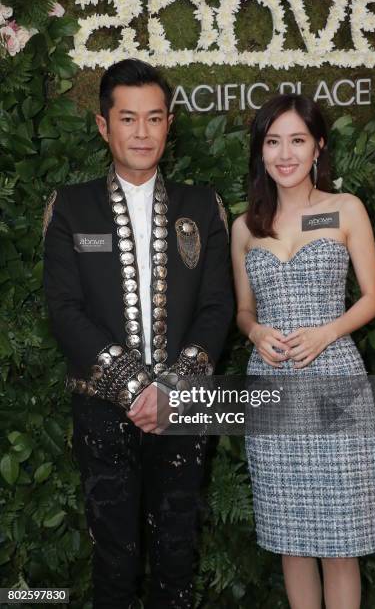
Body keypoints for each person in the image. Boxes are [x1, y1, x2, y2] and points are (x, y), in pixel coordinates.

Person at [43, 58, 233, 609]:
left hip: (185, 403)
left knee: (177, 554)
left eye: (153, 118)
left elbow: (218, 306)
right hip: (102, 407)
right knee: (114, 558)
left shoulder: (204, 205)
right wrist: (133, 388)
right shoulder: (71, 208)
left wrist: (172, 390)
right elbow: (64, 308)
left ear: (170, 122)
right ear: (104, 125)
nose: (142, 133)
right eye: (128, 119)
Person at [231, 94, 375, 609]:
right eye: (273, 142)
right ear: (261, 152)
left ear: (318, 145)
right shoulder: (245, 227)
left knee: (342, 542)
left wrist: (327, 332)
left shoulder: (345, 209)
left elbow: (373, 298)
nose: (285, 153)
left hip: (337, 381)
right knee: (290, 542)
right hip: (271, 385)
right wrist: (254, 334)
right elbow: (243, 312)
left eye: (297, 140)